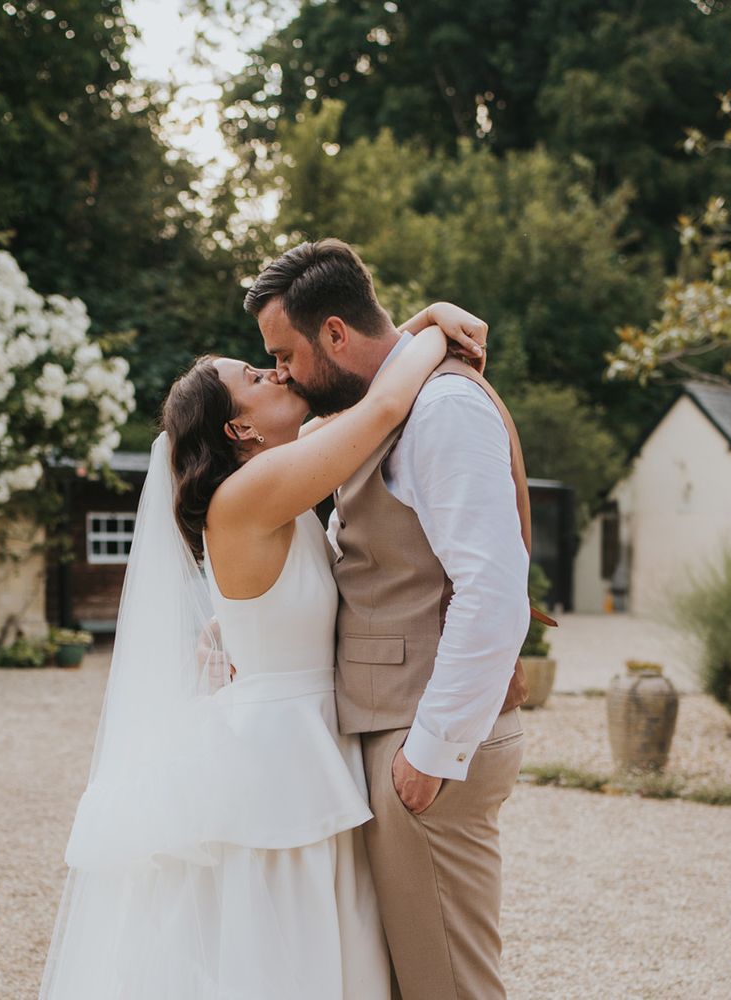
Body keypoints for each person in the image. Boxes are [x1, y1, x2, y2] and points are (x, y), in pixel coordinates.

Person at [38, 302, 488, 1000]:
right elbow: (386, 403)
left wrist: (408, 325)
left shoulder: (267, 476)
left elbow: (353, 401)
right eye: (256, 374)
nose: (278, 372)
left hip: (307, 735)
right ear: (239, 427)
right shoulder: (250, 493)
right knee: (287, 952)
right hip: (281, 756)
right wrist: (432, 331)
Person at [245, 238, 534, 1000]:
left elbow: (494, 591)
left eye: (284, 355)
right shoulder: (381, 409)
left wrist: (432, 751)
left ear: (335, 335)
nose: (280, 374)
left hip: (427, 742)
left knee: (451, 986)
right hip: (400, 729)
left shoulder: (443, 410)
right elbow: (377, 384)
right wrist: (428, 321)